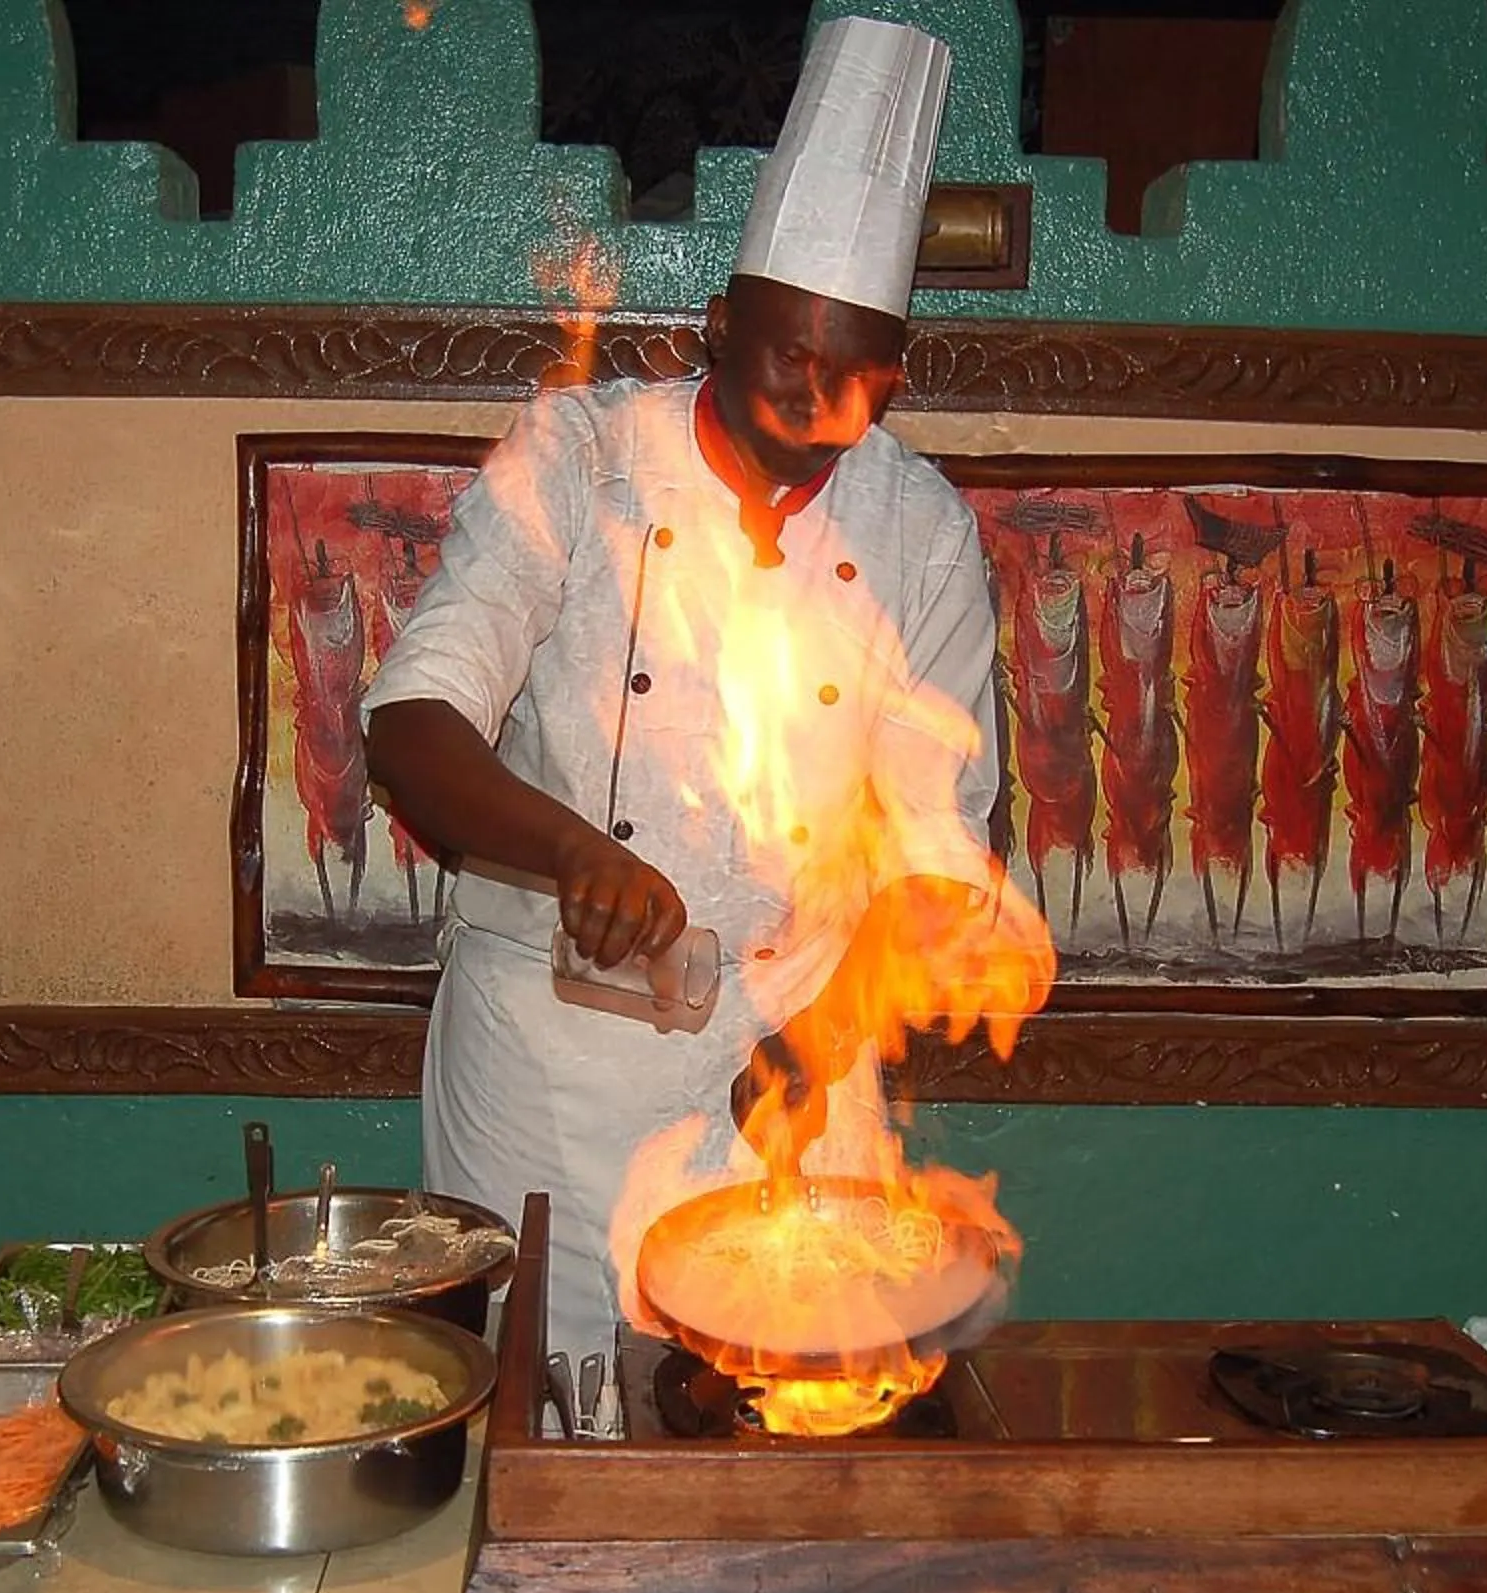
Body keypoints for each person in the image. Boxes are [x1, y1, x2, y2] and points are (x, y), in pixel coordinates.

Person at [364, 17, 1022, 1365]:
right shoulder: (580, 457)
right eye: (789, 352)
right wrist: (573, 851)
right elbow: (413, 728)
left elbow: (943, 848)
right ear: (717, 324)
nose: (819, 398)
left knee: (777, 1436)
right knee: (551, 1420)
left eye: (860, 369)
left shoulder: (923, 532)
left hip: (797, 1073)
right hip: (554, 1079)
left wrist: (826, 1034)